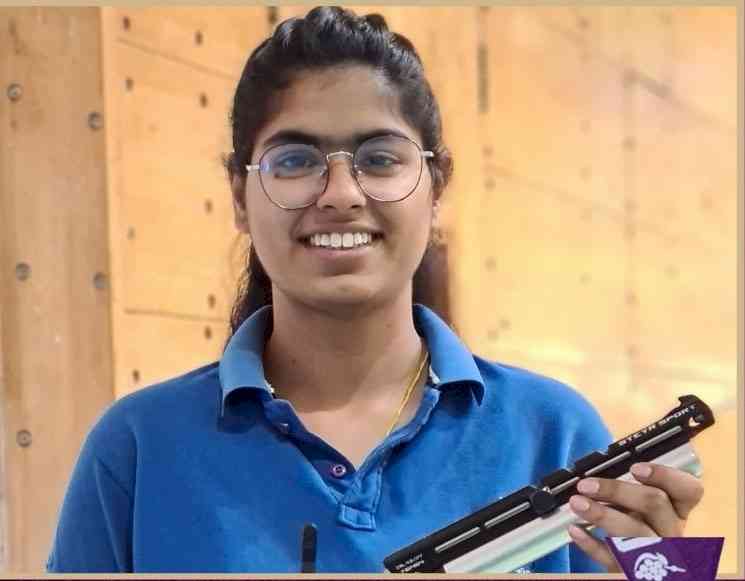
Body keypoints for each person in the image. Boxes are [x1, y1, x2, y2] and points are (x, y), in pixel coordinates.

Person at [46, 7, 704, 573]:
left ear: (435, 186)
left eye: (380, 158)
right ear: (239, 196)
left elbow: (661, 574)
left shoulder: (554, 433)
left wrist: (663, 568)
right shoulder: (136, 447)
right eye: (295, 160)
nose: (339, 195)